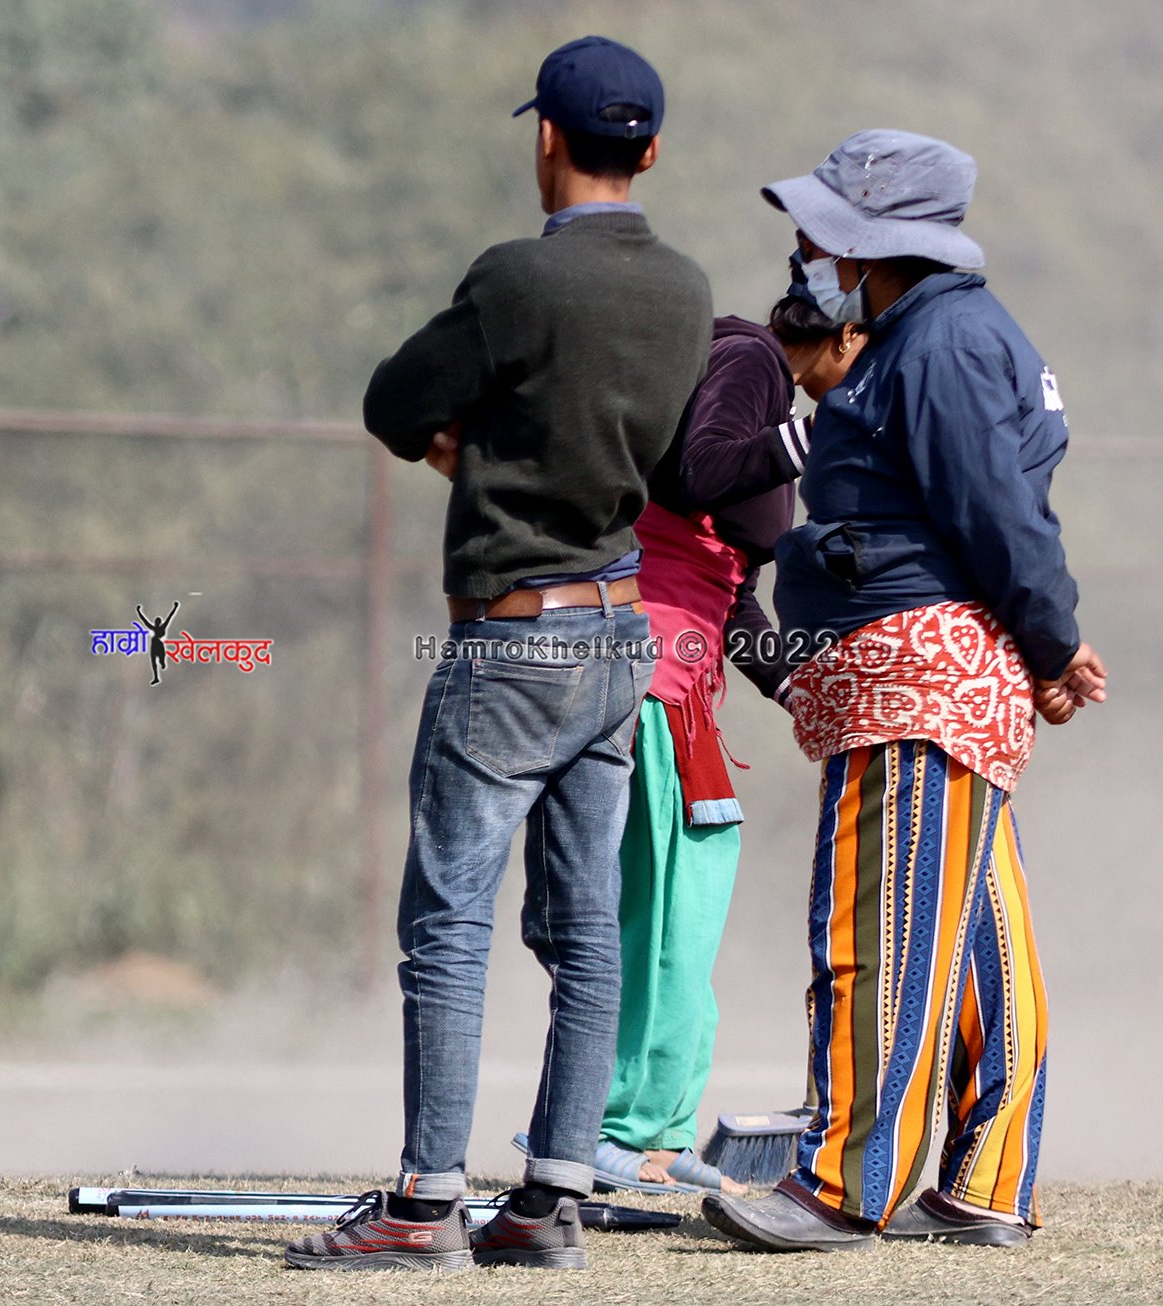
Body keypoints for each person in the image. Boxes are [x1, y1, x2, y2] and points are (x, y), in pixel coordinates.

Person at [283, 36, 710, 1272]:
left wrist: (466, 454)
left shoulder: (518, 277)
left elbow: (392, 401)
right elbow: (640, 450)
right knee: (586, 932)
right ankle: (550, 1198)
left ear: (546, 138)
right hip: (618, 631)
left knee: (448, 923)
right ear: (650, 151)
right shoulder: (683, 290)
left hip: (512, 639)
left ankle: (423, 1206)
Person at [702, 130, 1105, 1252]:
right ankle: (984, 1180)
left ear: (872, 238)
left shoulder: (937, 341)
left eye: (820, 229)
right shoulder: (946, 331)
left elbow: (997, 514)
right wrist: (1043, 645)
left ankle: (843, 1182)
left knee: (877, 930)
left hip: (913, 677)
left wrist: (1052, 638)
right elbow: (998, 511)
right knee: (974, 932)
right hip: (946, 670)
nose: (805, 248)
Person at [591, 289, 863, 1197]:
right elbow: (703, 474)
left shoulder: (743, 377)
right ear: (845, 333)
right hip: (653, 675)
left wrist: (793, 687)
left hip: (679, 675)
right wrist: (822, 433)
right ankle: (621, 1131)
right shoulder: (749, 357)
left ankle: (656, 1131)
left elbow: (731, 586)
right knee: (667, 910)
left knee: (681, 906)